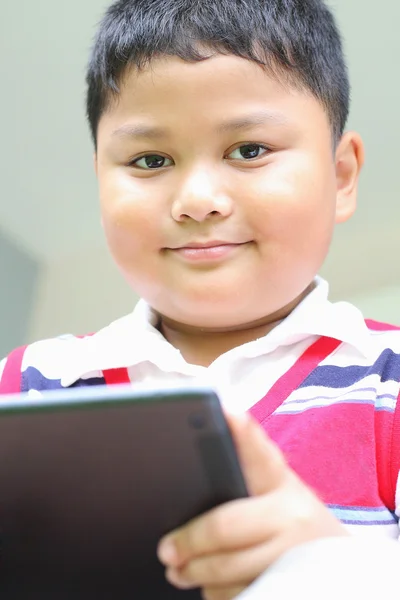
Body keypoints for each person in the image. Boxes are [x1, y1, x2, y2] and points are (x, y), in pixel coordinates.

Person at [1, 0, 399, 597]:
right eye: (151, 160)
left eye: (248, 150)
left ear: (341, 176)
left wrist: (329, 571)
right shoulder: (29, 384)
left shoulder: (388, 382)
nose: (198, 199)